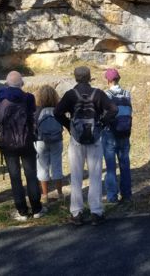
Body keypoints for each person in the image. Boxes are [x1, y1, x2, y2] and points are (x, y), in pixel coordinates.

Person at [54, 66, 118, 226]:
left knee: (76, 176)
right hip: (95, 138)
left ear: (75, 78)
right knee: (95, 175)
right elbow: (113, 109)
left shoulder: (70, 95)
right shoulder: (98, 93)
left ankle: (77, 213)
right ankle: (96, 212)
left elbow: (57, 112)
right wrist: (102, 123)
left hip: (76, 139)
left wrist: (69, 125)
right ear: (90, 77)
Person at [0, 71, 46, 221]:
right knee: (31, 175)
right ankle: (37, 209)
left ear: (7, 83)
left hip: (8, 144)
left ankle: (22, 211)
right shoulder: (28, 98)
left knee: (15, 177)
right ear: (21, 84)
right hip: (27, 141)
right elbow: (33, 116)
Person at [102, 69, 133, 204]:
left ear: (108, 80)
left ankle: (112, 196)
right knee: (125, 164)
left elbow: (103, 114)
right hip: (125, 132)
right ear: (119, 78)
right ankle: (126, 195)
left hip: (110, 133)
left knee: (110, 166)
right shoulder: (127, 94)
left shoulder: (106, 95)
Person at [34, 85, 64, 205]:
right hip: (57, 140)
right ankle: (60, 194)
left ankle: (45, 195)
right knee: (57, 166)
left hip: (41, 140)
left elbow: (34, 125)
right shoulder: (58, 109)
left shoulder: (37, 110)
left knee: (42, 167)